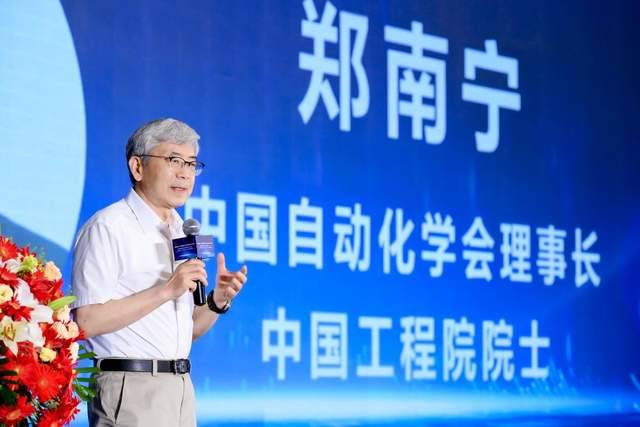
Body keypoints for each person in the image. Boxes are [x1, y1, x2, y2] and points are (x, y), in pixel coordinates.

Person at [72, 118, 247, 426]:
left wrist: (217, 301)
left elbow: (185, 331)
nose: (184, 173)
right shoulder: (108, 227)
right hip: (129, 387)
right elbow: (86, 321)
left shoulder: (181, 231)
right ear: (137, 167)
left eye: (191, 164)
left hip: (179, 387)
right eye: (173, 160)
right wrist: (166, 289)